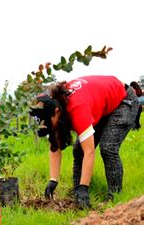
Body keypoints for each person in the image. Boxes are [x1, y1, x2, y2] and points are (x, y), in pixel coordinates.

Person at [30, 75, 138, 208]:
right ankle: (77, 195)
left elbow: (89, 152)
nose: (47, 126)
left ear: (57, 112)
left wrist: (84, 187)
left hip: (123, 100)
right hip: (100, 103)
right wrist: (53, 180)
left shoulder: (77, 109)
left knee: (108, 148)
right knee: (78, 150)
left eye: (47, 122)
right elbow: (54, 146)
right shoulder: (55, 106)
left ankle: (115, 196)